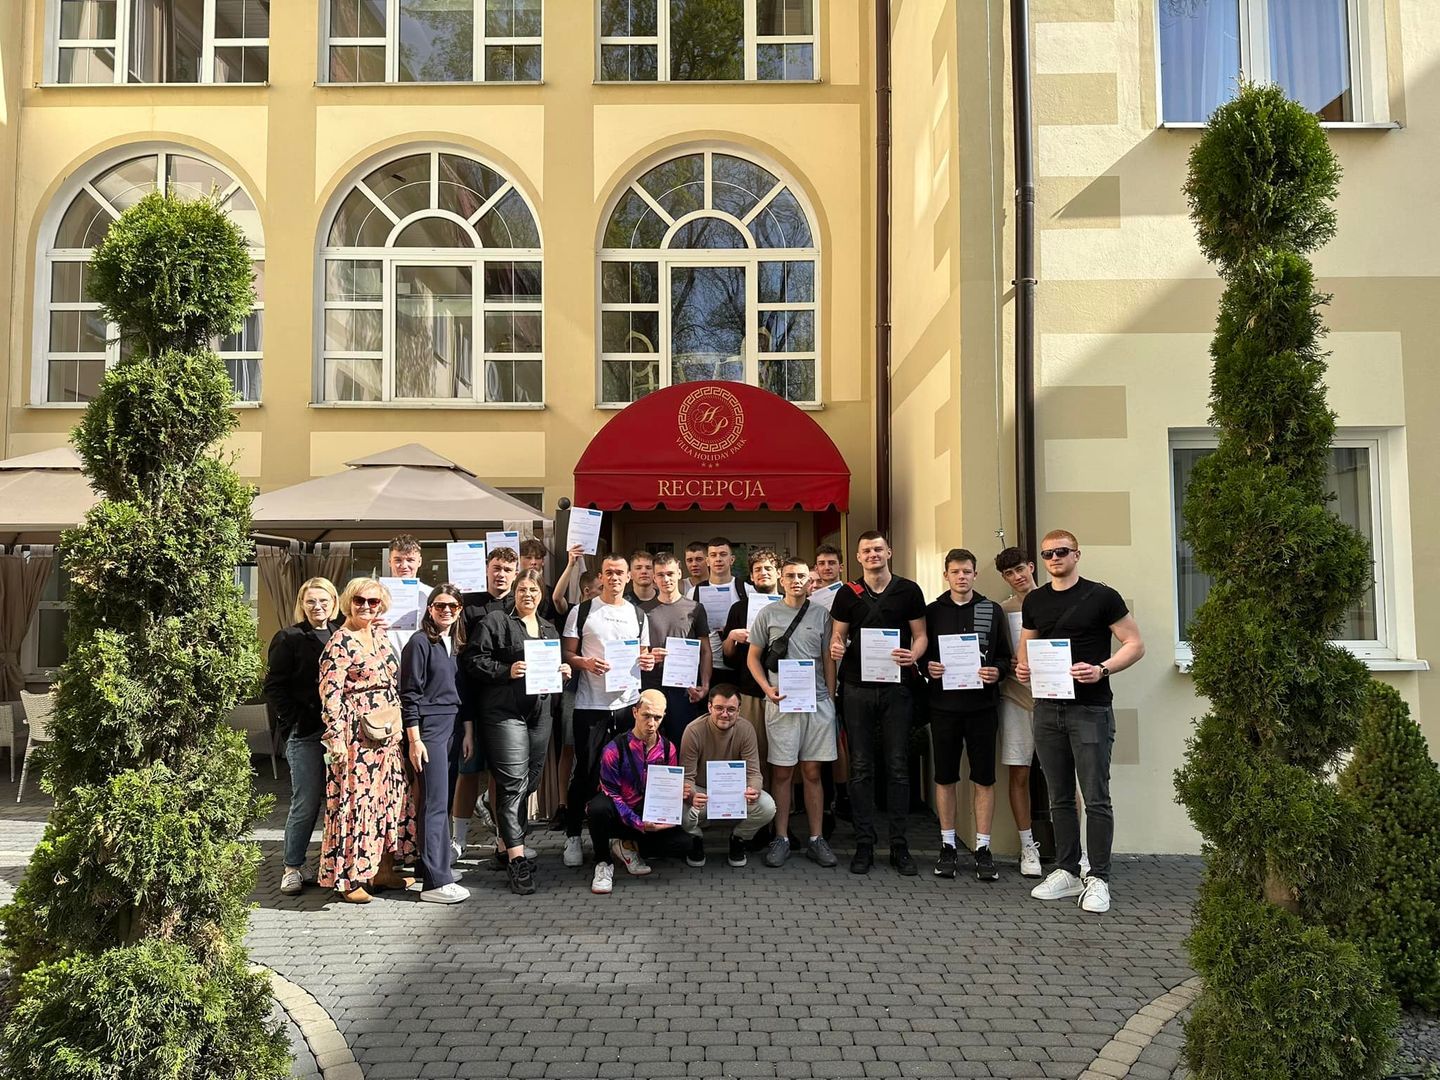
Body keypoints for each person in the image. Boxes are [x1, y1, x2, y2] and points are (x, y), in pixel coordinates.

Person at [1016, 529, 1145, 914]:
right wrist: (1023, 669)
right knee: (1058, 796)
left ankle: (1099, 877)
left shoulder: (1102, 596)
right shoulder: (1035, 600)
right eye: (1047, 554)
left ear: (1076, 554)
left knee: (1096, 797)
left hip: (1090, 709)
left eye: (1061, 552)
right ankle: (1068, 870)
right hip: (1047, 708)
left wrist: (1102, 669)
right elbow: (1026, 650)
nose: (1054, 558)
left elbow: (1135, 644)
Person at [828, 530, 928, 876]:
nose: (873, 555)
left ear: (889, 552)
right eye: (866, 550)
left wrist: (913, 655)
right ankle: (864, 844)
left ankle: (899, 845)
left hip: (896, 688)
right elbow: (837, 637)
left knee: (898, 765)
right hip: (857, 688)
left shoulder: (908, 590)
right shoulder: (847, 593)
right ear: (858, 557)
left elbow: (921, 636)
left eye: (878, 549)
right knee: (860, 766)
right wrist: (836, 648)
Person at [467, 569, 569, 895]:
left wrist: (563, 670)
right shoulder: (496, 622)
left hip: (540, 713)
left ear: (541, 594)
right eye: (522, 589)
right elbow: (473, 660)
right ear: (514, 592)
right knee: (513, 784)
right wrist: (505, 670)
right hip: (505, 712)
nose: (528, 595)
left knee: (530, 782)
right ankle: (517, 859)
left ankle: (503, 839)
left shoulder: (549, 628)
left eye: (534, 590)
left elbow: (553, 667)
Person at [317, 578, 416, 903]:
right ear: (348, 602)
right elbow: (330, 694)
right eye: (360, 600)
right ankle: (350, 879)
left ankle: (382, 870)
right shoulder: (339, 642)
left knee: (388, 801)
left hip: (386, 735)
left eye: (373, 602)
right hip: (355, 738)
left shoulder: (380, 636)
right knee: (356, 805)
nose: (366, 607)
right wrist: (335, 737)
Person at [923, 548, 1013, 881]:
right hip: (943, 707)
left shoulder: (991, 610)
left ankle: (983, 848)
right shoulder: (932, 612)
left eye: (967, 571)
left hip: (982, 708)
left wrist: (997, 671)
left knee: (984, 778)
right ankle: (947, 845)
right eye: (955, 572)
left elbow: (1004, 656)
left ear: (975, 574)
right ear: (946, 575)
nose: (961, 577)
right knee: (945, 777)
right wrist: (927, 667)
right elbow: (921, 653)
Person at [562, 553, 654, 867]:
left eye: (619, 572)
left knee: (627, 774)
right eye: (608, 572)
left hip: (627, 705)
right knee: (586, 773)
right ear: (600, 577)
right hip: (591, 705)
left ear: (628, 577)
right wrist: (585, 663)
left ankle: (620, 839)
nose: (614, 578)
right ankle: (573, 835)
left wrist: (648, 661)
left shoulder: (637, 614)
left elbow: (643, 655)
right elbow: (567, 653)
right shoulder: (582, 611)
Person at [747, 557, 839, 868]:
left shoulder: (822, 614)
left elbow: (828, 659)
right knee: (782, 772)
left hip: (817, 703)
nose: (796, 581)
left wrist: (830, 696)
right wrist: (766, 689)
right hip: (781, 703)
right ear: (781, 579)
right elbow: (753, 658)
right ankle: (781, 837)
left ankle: (816, 838)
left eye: (801, 576)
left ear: (809, 581)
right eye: (790, 576)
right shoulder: (768, 613)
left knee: (812, 772)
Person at [265, 576, 341, 895]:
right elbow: (274, 686)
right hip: (306, 732)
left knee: (338, 802)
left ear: (334, 602)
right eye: (310, 601)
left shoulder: (342, 634)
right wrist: (293, 720)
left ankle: (331, 863)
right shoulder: (289, 637)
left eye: (323, 600)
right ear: (302, 604)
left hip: (340, 734)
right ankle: (292, 866)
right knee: (306, 801)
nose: (317, 606)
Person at [401, 584, 470, 904]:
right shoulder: (419, 643)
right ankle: (434, 882)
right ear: (429, 609)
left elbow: (461, 693)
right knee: (434, 803)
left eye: (453, 606)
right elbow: (409, 695)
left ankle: (435, 867)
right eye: (440, 605)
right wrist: (414, 739)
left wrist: (467, 731)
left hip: (452, 725)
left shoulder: (454, 643)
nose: (447, 611)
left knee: (443, 800)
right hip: (429, 728)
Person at [450, 546, 519, 862]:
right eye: (496, 568)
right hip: (474, 700)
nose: (501, 574)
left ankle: (503, 840)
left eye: (507, 569)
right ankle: (458, 839)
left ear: (515, 574)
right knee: (468, 770)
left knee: (499, 775)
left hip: (508, 703)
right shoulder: (469, 605)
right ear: (487, 570)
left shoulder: (520, 604)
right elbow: (462, 654)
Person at [585, 689, 692, 894]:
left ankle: (627, 846)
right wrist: (639, 824)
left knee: (684, 844)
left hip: (647, 812)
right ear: (635, 712)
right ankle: (603, 863)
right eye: (646, 716)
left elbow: (666, 792)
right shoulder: (613, 749)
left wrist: (678, 795)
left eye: (657, 717)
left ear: (664, 716)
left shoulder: (668, 749)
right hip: (620, 814)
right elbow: (612, 794)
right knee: (597, 808)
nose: (651, 723)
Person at [679, 685, 776, 868]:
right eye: (719, 708)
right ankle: (695, 838)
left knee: (767, 806)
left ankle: (739, 838)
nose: (725, 714)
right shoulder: (693, 730)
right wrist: (692, 796)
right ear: (709, 707)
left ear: (739, 710)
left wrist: (753, 790)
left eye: (731, 709)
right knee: (679, 807)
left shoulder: (746, 729)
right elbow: (687, 777)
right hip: (703, 792)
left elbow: (754, 773)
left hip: (734, 793)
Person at [994, 546, 1045, 878]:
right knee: (1019, 773)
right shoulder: (1003, 610)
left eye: (1020, 569)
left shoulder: (1055, 600)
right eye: (1009, 573)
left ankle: (1076, 849)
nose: (1017, 577)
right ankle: (1028, 846)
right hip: (1014, 697)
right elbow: (997, 653)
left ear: (1031, 567)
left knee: (1065, 777)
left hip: (1054, 699)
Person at [719, 547, 781, 775]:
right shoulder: (739, 608)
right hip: (750, 690)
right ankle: (758, 794)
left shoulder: (792, 604)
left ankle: (786, 797)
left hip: (785, 688)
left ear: (778, 573)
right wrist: (731, 637)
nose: (763, 573)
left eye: (768, 568)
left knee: (784, 752)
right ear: (752, 577)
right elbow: (728, 656)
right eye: (758, 570)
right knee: (755, 751)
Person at [643, 552, 712, 745]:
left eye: (670, 573)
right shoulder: (642, 610)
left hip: (684, 688)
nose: (666, 579)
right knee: (650, 742)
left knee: (683, 742)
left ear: (679, 574)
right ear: (654, 578)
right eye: (661, 575)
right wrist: (649, 655)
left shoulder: (695, 608)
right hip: (652, 685)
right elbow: (638, 651)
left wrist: (705, 685)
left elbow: (705, 650)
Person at [688, 537, 757, 689]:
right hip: (706, 666)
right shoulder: (694, 592)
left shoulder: (747, 590)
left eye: (723, 554)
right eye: (713, 555)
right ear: (707, 561)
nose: (718, 559)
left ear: (732, 559)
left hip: (739, 666)